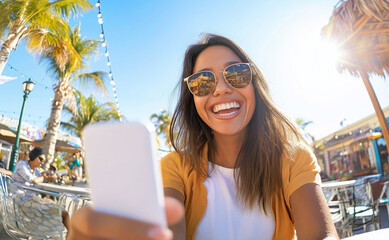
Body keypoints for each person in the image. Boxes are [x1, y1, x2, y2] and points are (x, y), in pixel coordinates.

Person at [68, 34, 338, 240]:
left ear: (254, 84)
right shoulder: (175, 167)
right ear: (193, 98)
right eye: (203, 82)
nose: (221, 88)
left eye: (236, 73)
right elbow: (166, 232)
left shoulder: (294, 160)